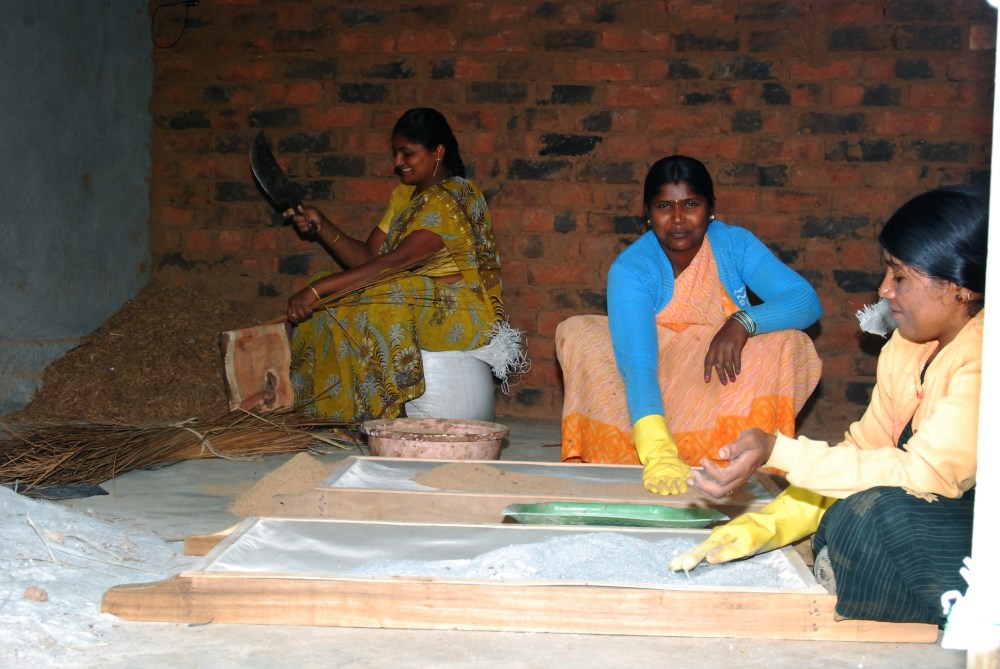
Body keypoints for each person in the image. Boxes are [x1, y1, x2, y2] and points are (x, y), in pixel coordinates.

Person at [671, 184, 987, 626]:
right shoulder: (906, 346)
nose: (884, 289)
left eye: (900, 276)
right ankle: (865, 577)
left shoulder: (985, 357)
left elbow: (929, 475)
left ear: (959, 288)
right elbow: (864, 452)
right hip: (928, 516)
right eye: (887, 271)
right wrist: (765, 527)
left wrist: (779, 450)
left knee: (876, 513)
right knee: (847, 511)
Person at [555, 155, 822, 495]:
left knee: (788, 341)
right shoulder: (633, 268)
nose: (678, 218)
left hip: (713, 374)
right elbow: (639, 367)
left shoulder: (733, 245)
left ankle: (735, 454)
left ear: (711, 209)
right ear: (647, 213)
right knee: (580, 333)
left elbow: (805, 300)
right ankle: (654, 447)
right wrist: (658, 452)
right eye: (664, 206)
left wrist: (742, 321)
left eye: (691, 204)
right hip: (649, 377)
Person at [284, 108, 506, 422]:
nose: (398, 162)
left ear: (438, 152)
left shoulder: (457, 197)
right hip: (408, 294)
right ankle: (333, 415)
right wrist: (322, 226)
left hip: (460, 308)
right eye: (395, 154)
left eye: (407, 153)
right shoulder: (404, 197)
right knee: (333, 296)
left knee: (385, 295)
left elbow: (396, 263)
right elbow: (369, 258)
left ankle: (391, 416)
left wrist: (317, 290)